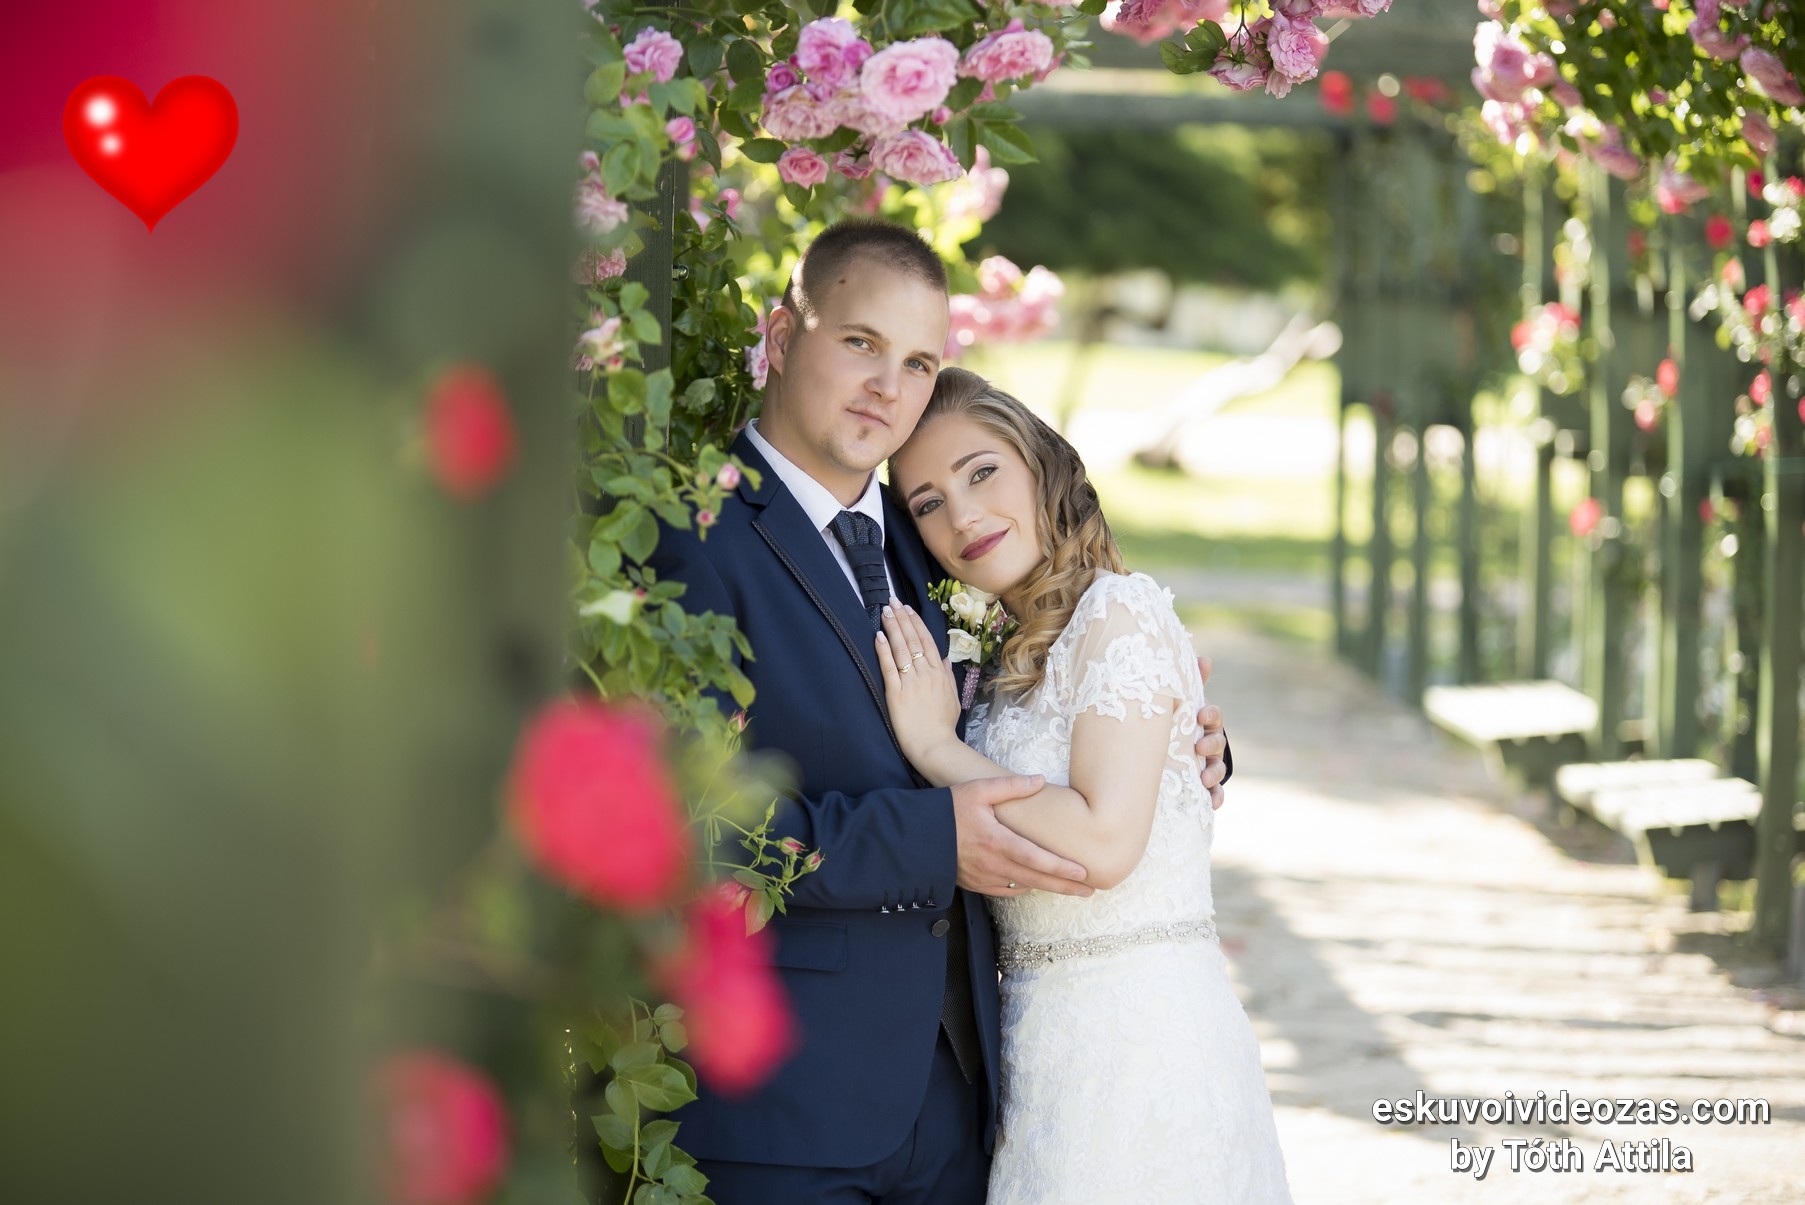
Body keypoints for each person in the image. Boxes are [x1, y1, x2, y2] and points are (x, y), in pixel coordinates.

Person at [645, 219, 1231, 1203]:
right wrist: (931, 839)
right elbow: (686, 822)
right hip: (789, 1111)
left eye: (917, 362)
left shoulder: (924, 538)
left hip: (967, 1103)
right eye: (860, 343)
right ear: (781, 336)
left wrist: (1179, 743)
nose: (887, 386)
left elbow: (1059, 684)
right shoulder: (692, 537)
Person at [877, 365, 1291, 1203]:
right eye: (927, 503)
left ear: (1040, 463)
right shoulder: (1001, 658)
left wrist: (933, 746)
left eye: (981, 472)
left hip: (1142, 1045)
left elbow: (1104, 843)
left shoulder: (1118, 610)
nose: (962, 515)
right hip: (1040, 1052)